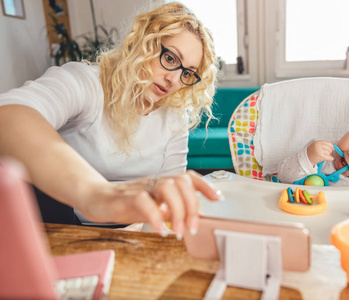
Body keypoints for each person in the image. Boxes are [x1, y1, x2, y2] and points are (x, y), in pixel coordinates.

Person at [0, 2, 222, 238]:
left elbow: (167, 194)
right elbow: (9, 114)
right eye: (170, 58)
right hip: (66, 229)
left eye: (187, 73)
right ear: (144, 43)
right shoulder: (87, 82)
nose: (174, 79)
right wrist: (96, 193)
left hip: (136, 232)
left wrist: (135, 231)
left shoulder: (175, 117)